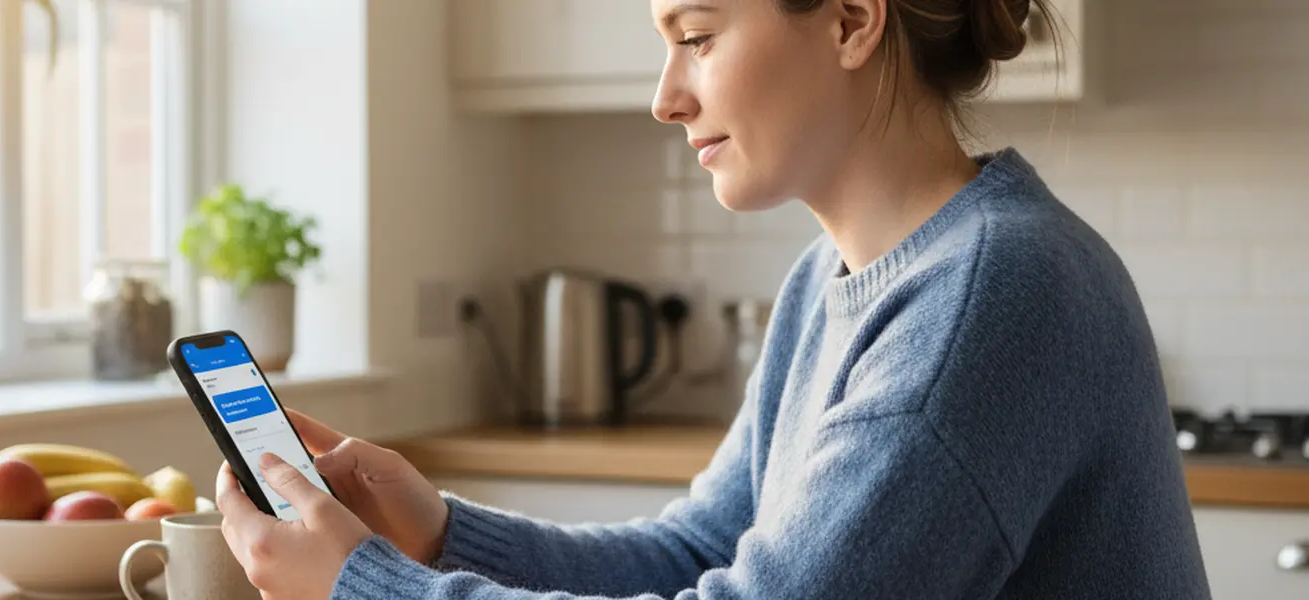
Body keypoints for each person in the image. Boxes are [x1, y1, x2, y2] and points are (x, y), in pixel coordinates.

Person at [214, 0, 1213, 597]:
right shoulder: (837, 279)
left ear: (852, 17)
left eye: (694, 35)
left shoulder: (991, 296)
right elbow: (702, 551)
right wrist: (435, 533)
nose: (664, 95)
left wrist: (361, 585)